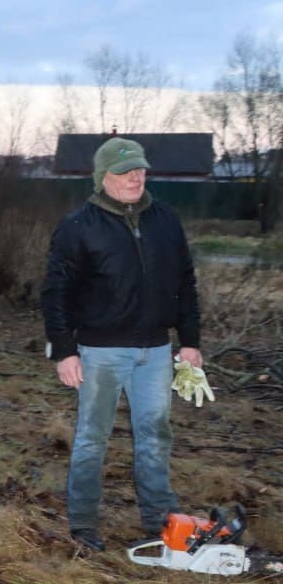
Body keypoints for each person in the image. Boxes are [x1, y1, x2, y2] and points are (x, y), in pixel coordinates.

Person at [42, 137, 201, 552]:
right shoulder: (79, 225)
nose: (135, 177)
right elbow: (56, 292)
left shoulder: (165, 219)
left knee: (156, 435)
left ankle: (158, 519)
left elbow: (185, 282)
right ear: (103, 177)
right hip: (101, 352)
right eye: (125, 171)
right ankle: (83, 523)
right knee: (92, 438)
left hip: (156, 351)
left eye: (140, 169)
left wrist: (190, 341)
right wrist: (65, 350)